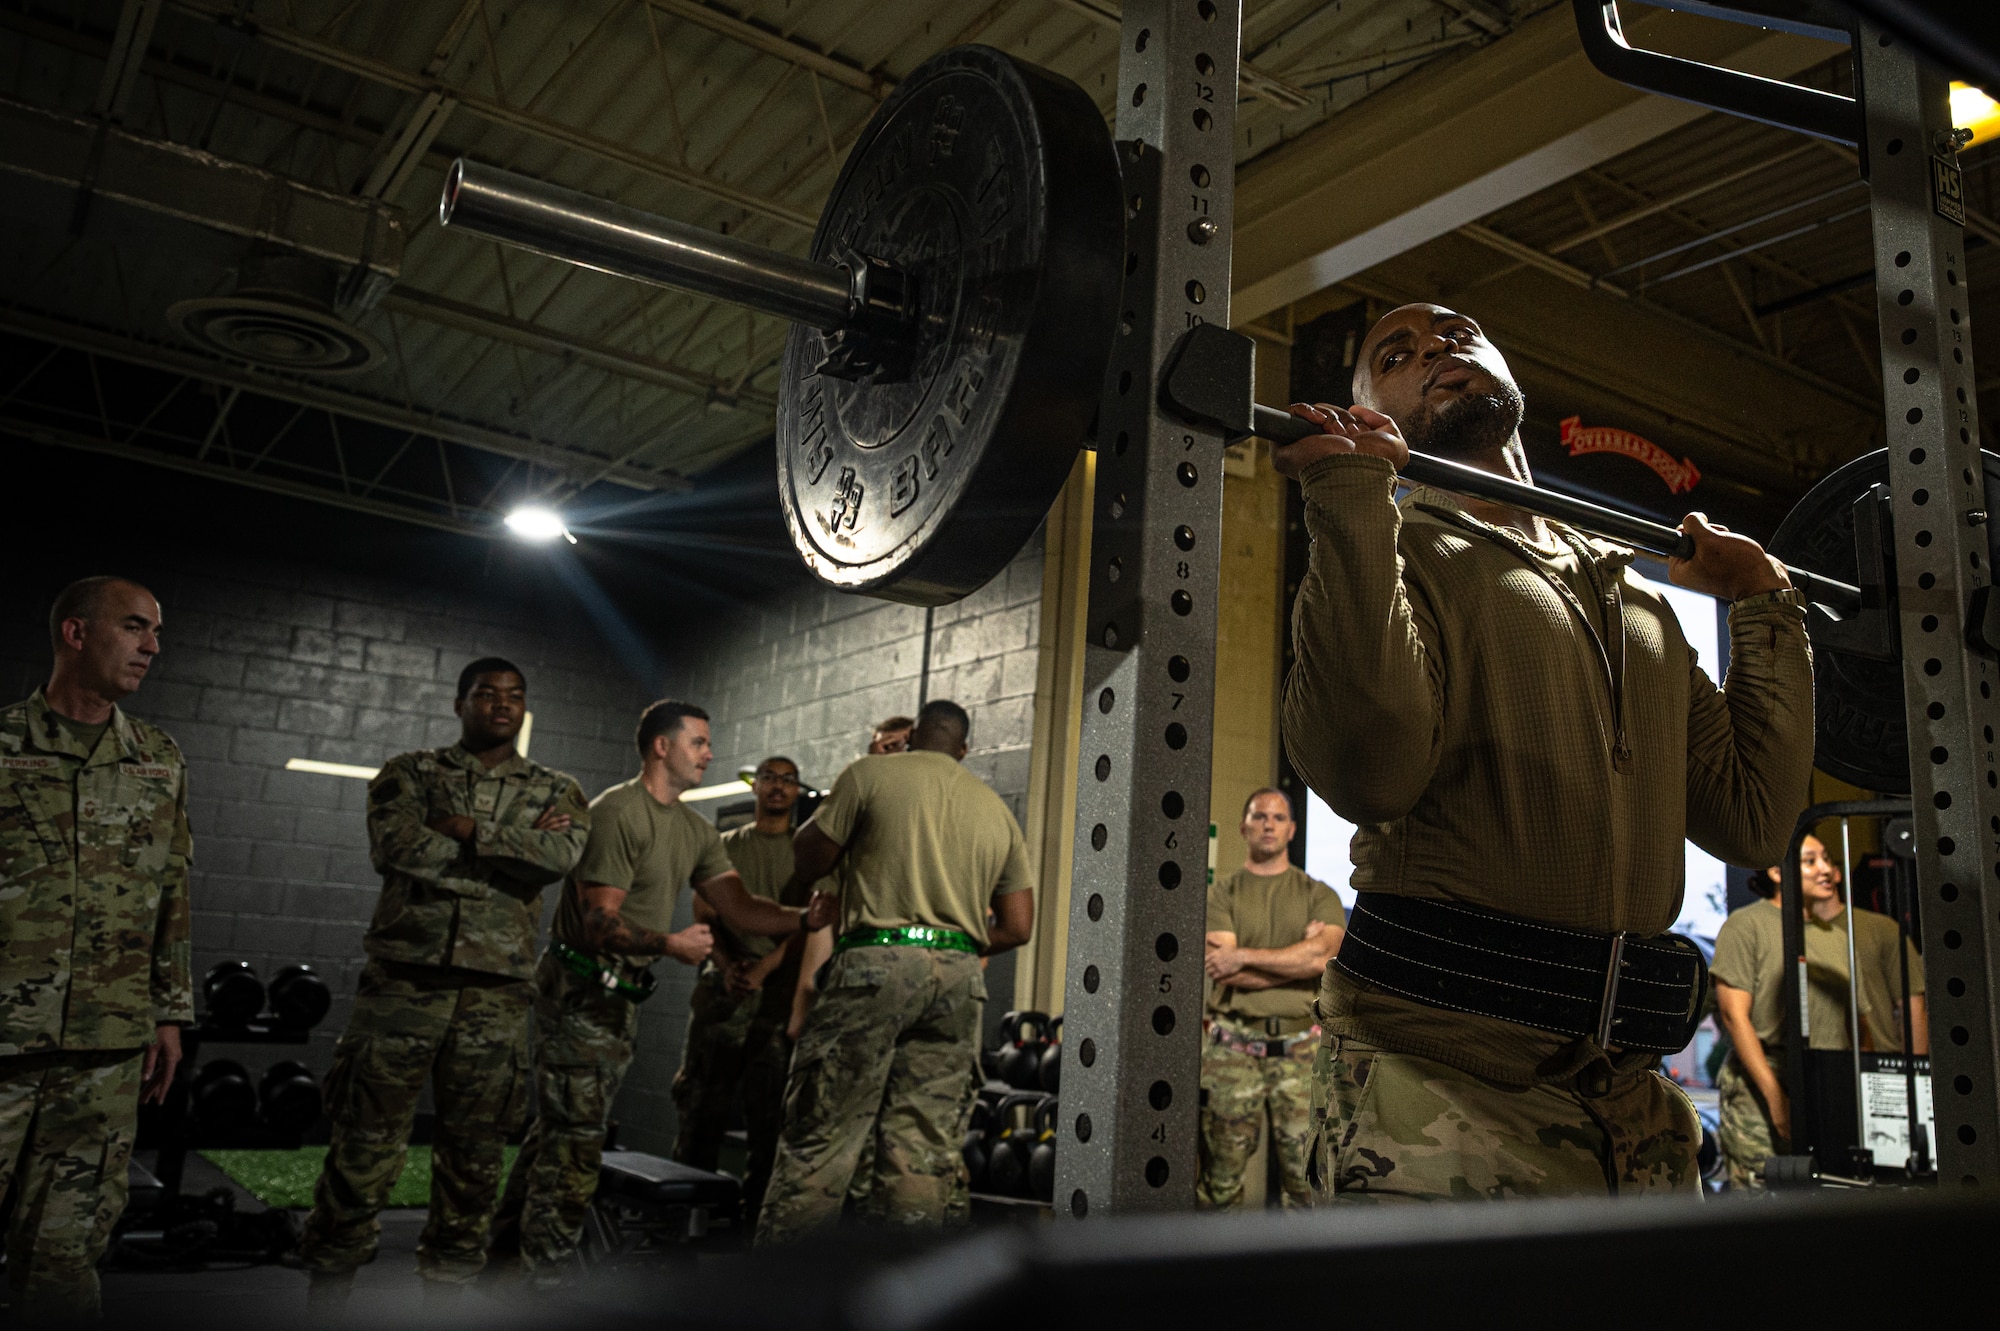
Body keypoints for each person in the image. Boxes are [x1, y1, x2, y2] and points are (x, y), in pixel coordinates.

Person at [1276, 303, 1814, 1202]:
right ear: (1374, 414)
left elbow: (1754, 818)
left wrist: (1764, 604)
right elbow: (1368, 772)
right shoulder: (1395, 549)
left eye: (1455, 332)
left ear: (1503, 364)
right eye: (1396, 357)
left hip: (1632, 1108)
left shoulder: (1630, 593)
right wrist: (1346, 497)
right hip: (1438, 1097)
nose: (1435, 351)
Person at [299, 657, 590, 1305]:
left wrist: (464, 830)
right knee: (362, 1147)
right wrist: (508, 849)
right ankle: (327, 1295)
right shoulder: (410, 772)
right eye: (487, 693)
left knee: (475, 1160)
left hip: (496, 998)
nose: (502, 704)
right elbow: (397, 848)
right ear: (461, 702)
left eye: (515, 695)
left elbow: (562, 856)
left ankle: (447, 1307)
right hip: (403, 987)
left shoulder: (556, 788)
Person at [501, 710, 829, 1279]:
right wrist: (672, 943)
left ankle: (501, 1254)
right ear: (661, 746)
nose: (707, 753)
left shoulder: (695, 831)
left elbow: (741, 908)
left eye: (707, 744)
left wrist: (806, 917)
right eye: (698, 742)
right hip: (581, 986)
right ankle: (540, 1287)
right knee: (575, 1145)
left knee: (559, 1130)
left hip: (619, 997)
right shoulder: (617, 812)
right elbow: (600, 923)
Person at [756, 699, 1034, 1244]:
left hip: (874, 964)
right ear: (964, 749)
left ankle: (782, 1299)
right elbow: (1019, 926)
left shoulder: (868, 775)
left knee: (822, 1142)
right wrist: (955, 944)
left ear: (912, 738)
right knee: (921, 1155)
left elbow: (809, 860)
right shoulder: (995, 807)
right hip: (957, 978)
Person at [0, 577, 191, 1320]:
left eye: (156, 632)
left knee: (64, 1259)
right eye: (136, 627)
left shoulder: (158, 757)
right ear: (76, 634)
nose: (151, 647)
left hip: (106, 1051)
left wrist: (169, 1012)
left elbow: (173, 888)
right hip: (4, 1042)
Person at [1710, 834, 1928, 1189]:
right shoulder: (1746, 925)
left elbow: (1860, 1022)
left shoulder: (1837, 937)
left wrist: (1863, 1089)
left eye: (1827, 858)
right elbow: (1736, 1017)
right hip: (1767, 1076)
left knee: (1828, 1194)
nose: (1826, 869)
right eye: (1811, 861)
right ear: (1777, 873)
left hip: (1829, 1077)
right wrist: (1776, 1098)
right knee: (1763, 1197)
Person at [670, 755, 827, 1229]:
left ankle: (752, 1235)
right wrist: (728, 966)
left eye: (787, 780)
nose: (777, 787)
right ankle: (681, 1231)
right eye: (768, 779)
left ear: (798, 791)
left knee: (769, 1126)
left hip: (776, 1005)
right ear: (754, 787)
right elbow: (705, 914)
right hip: (724, 998)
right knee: (700, 1115)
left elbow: (809, 925)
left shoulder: (808, 856)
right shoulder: (724, 847)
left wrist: (764, 969)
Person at [1199, 789, 1346, 1209]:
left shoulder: (1318, 894)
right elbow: (1219, 968)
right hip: (1232, 1053)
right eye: (1259, 816)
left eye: (1278, 818)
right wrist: (1296, 957)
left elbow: (1325, 957)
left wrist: (1242, 956)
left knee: (1307, 1186)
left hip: (1301, 1053)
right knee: (1219, 1184)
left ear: (1292, 829)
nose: (1268, 824)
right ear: (1244, 826)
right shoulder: (1220, 895)